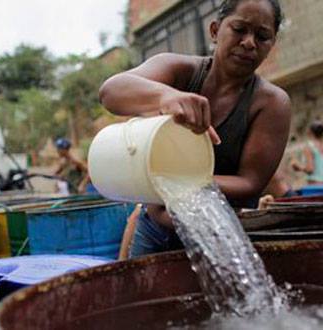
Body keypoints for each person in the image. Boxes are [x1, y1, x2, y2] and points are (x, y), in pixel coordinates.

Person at [99, 0, 290, 257]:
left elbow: (249, 182)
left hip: (216, 234)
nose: (249, 42)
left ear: (271, 46)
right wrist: (165, 96)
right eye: (239, 29)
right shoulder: (180, 71)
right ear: (214, 30)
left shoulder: (271, 103)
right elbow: (111, 92)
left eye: (262, 36)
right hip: (154, 230)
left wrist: (171, 181)